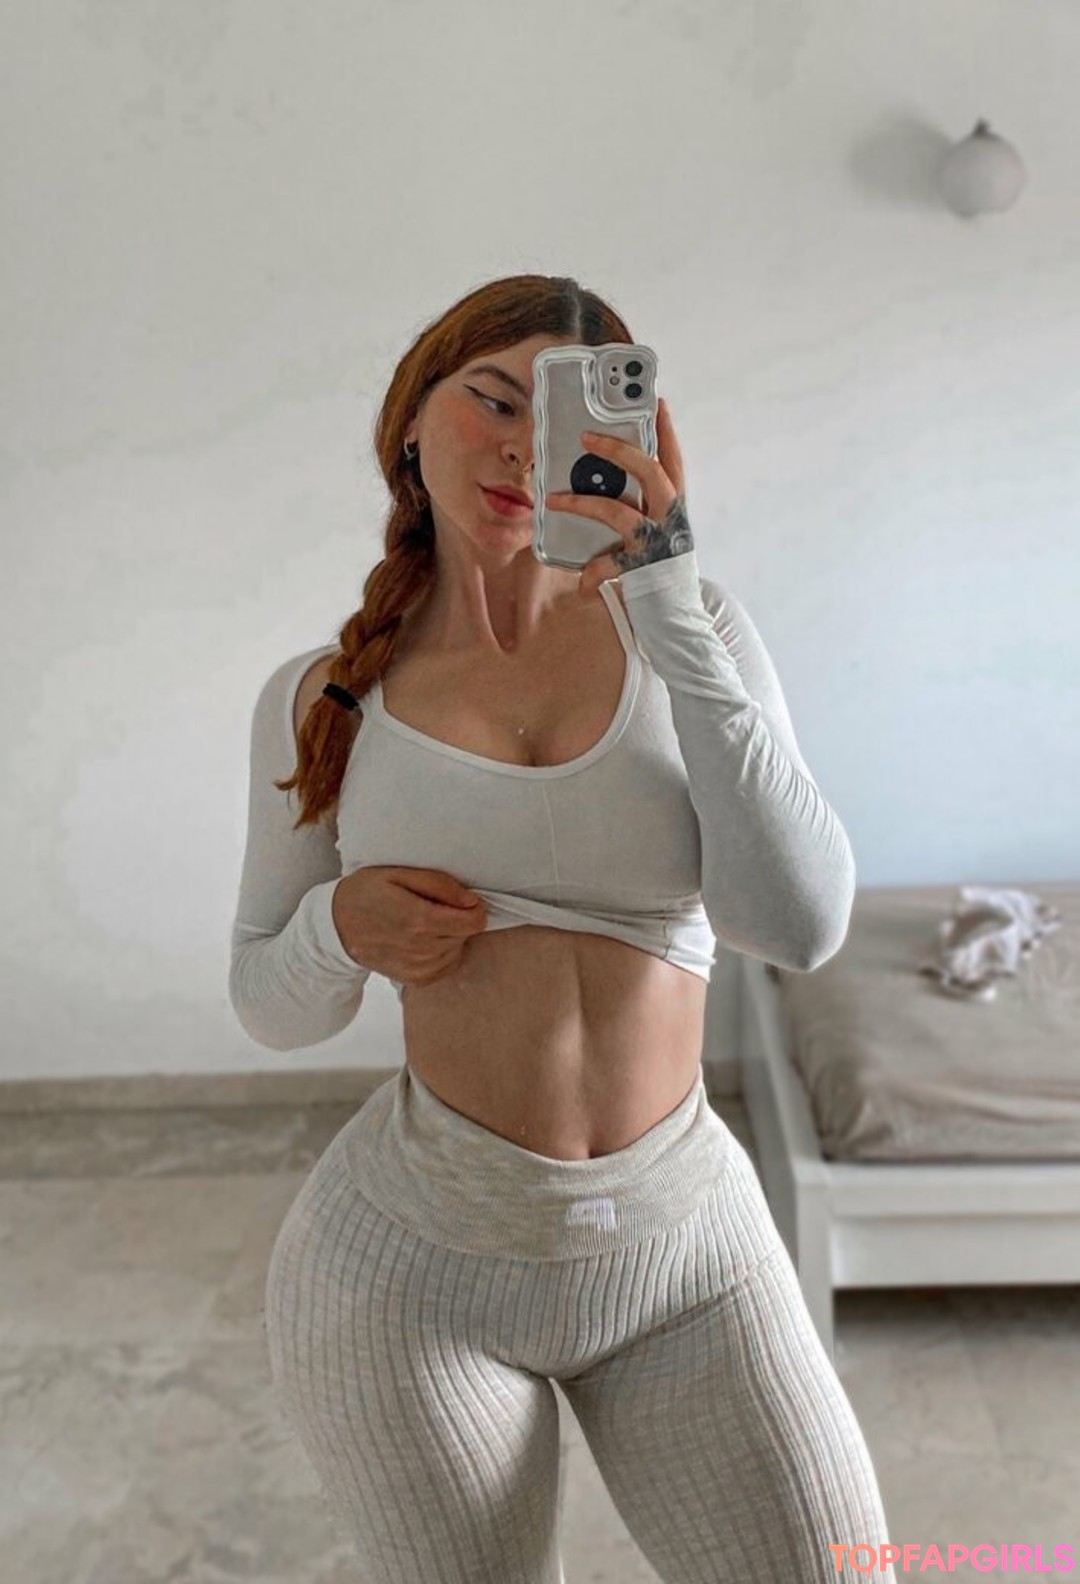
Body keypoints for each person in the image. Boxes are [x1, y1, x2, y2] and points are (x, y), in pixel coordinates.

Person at [230, 274, 896, 1583]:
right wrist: (338, 928)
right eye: (493, 400)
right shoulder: (326, 696)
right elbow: (269, 1003)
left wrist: (673, 606)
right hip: (407, 1278)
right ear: (409, 421)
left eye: (568, 416)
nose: (521, 446)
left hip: (685, 1252)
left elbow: (801, 925)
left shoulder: (696, 631)